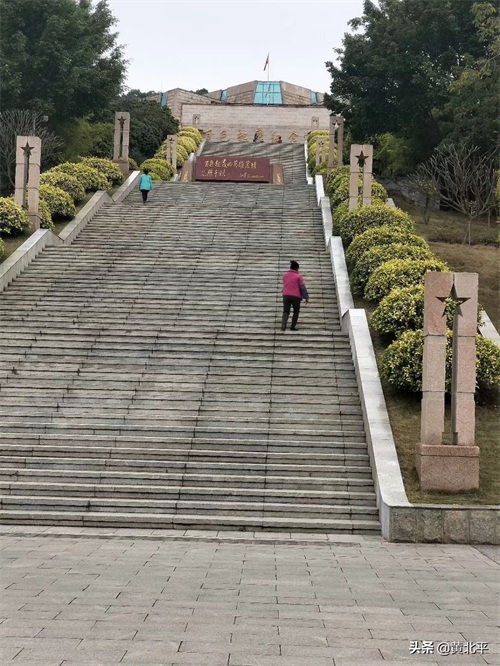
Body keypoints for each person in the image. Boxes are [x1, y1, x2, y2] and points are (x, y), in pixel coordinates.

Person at [281, 260, 308, 331]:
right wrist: (306, 297)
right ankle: (292, 326)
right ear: (297, 268)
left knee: (286, 311)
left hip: (286, 295)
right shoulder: (298, 276)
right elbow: (302, 287)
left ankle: (283, 325)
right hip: (296, 297)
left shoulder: (285, 275)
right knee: (296, 311)